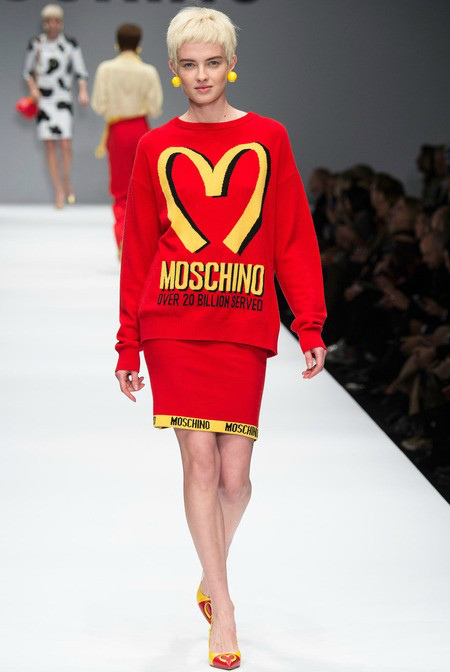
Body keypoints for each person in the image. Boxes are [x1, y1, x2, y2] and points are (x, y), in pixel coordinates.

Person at [114, 6, 327, 669]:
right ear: (173, 70)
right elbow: (139, 248)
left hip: (241, 322)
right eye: (190, 64)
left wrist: (309, 320)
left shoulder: (268, 138)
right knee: (200, 464)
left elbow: (291, 234)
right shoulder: (155, 147)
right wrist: (128, 340)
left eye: (213, 62)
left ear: (232, 64)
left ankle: (211, 577)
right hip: (174, 321)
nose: (202, 75)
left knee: (237, 480)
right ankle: (225, 609)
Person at [91, 23, 163, 259]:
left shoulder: (106, 69)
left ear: (117, 44)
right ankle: (139, 243)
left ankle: (123, 238)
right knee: (143, 189)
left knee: (121, 191)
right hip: (141, 130)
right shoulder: (148, 72)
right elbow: (155, 108)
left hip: (118, 131)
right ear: (139, 45)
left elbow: (98, 105)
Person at [22, 3, 89, 208]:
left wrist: (83, 91)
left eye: (56, 20)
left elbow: (80, 71)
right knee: (50, 145)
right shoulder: (36, 43)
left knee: (66, 144)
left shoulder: (70, 43)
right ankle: (59, 190)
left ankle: (66, 179)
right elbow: (27, 72)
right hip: (44, 100)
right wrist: (33, 89)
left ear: (61, 23)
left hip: (63, 98)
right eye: (50, 21)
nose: (53, 24)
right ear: (44, 23)